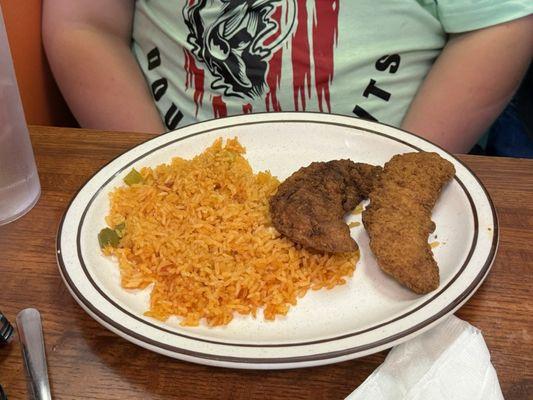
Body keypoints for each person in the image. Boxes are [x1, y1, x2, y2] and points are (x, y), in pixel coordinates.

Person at [42, 1, 533, 154]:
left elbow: (500, 21)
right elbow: (83, 25)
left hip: (399, 158)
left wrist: (405, 173)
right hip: (175, 161)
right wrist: (156, 167)